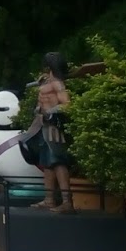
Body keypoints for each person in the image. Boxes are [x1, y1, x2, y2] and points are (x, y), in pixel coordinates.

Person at [29, 52, 75, 214]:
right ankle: (49, 199)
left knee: (57, 161)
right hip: (42, 124)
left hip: (53, 126)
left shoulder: (58, 84)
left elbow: (67, 104)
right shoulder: (46, 81)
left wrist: (51, 112)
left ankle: (67, 201)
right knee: (47, 163)